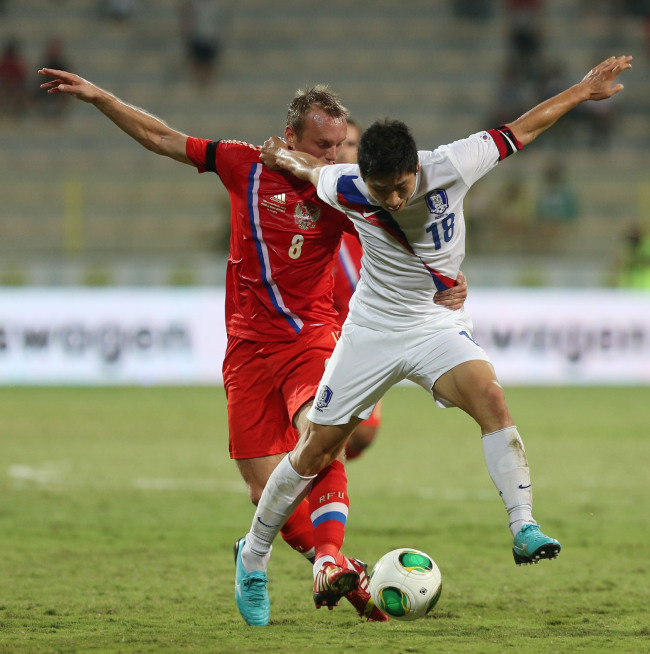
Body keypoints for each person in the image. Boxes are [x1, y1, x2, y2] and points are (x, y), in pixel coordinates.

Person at [37, 68, 468, 626]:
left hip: (310, 337)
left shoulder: (342, 190)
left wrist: (445, 280)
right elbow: (162, 138)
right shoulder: (243, 164)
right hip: (245, 346)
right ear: (290, 138)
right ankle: (314, 560)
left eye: (340, 145)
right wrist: (99, 97)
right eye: (323, 145)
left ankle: (331, 555)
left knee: (323, 432)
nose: (335, 155)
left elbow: (402, 233)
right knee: (264, 485)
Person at [239, 54, 633, 616]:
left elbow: (524, 127)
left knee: (491, 397)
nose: (393, 200)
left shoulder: (455, 162)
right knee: (316, 450)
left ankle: (524, 527)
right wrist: (280, 155)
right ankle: (253, 555)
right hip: (371, 330)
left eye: (400, 188)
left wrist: (582, 91)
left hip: (435, 324)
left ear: (415, 169)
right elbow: (307, 171)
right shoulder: (348, 185)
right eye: (381, 191)